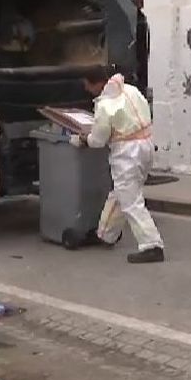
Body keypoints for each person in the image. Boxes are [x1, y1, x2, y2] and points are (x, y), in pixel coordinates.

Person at [70, 67, 165, 264]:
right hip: (145, 146)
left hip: (126, 153)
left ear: (95, 83)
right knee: (121, 194)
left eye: (87, 85)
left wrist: (82, 139)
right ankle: (105, 234)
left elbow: (98, 140)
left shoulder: (105, 105)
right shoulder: (131, 90)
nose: (87, 90)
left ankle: (152, 245)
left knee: (130, 201)